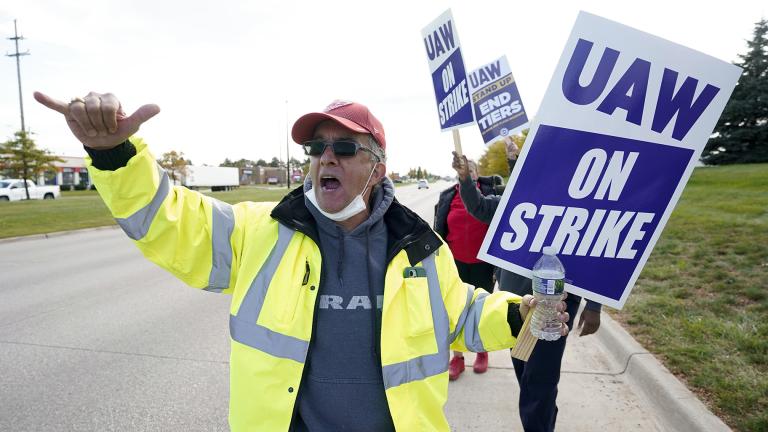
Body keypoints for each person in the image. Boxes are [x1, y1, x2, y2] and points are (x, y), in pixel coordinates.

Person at [34, 91, 571, 432]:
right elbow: (165, 217)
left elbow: (462, 317)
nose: (326, 158)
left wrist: (520, 315)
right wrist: (114, 157)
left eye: (344, 147)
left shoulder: (419, 247)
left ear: (378, 168)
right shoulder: (259, 231)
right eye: (317, 149)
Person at [451, 151, 602, 432]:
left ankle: (540, 425)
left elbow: (596, 256)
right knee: (525, 373)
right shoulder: (513, 201)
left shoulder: (579, 210)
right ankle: (543, 420)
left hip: (555, 308)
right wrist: (464, 180)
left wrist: (594, 306)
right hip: (516, 305)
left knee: (540, 381)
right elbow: (479, 208)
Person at [433, 159, 502, 379]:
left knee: (481, 311)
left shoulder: (489, 196)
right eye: (464, 171)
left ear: (477, 173)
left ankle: (482, 352)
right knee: (454, 311)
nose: (468, 174)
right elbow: (439, 228)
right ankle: (458, 358)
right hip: (455, 264)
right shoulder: (448, 196)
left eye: (471, 171)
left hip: (483, 264)